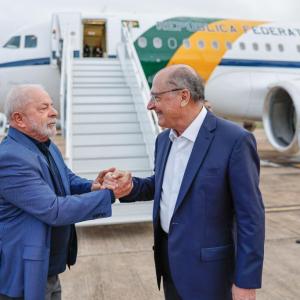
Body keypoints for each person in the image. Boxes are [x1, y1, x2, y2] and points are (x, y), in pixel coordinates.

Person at [103, 65, 265, 300]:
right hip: (170, 266)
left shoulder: (234, 141)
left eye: (156, 97)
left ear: (183, 96)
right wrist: (129, 186)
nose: (150, 105)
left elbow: (251, 217)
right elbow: (163, 185)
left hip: (212, 275)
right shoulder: (164, 140)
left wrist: (246, 282)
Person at [0, 84, 118, 300]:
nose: (54, 112)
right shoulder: (10, 159)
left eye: (52, 106)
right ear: (19, 119)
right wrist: (108, 195)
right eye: (43, 108)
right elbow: (53, 210)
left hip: (50, 268)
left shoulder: (45, 144)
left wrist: (93, 186)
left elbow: (66, 178)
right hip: (24, 275)